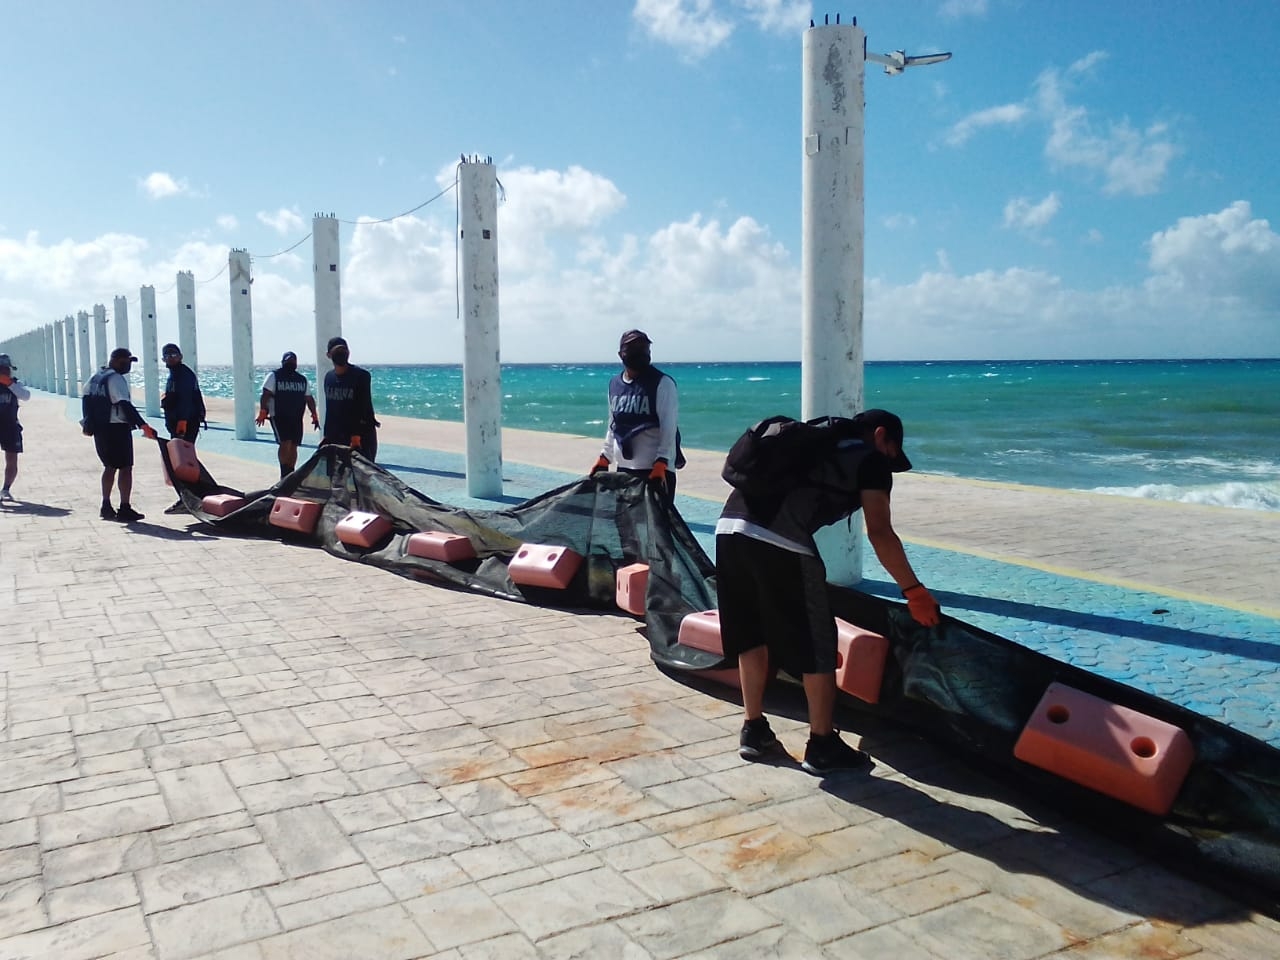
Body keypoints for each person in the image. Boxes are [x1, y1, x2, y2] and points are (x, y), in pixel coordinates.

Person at [716, 408, 942, 775]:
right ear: (881, 435)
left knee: (752, 633)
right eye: (891, 451)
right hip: (782, 541)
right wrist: (914, 591)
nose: (889, 461)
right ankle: (822, 744)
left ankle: (754, 730)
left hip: (728, 530)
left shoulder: (812, 440)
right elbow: (881, 533)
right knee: (819, 640)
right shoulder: (869, 460)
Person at [589, 329, 682, 502]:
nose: (640, 351)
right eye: (633, 348)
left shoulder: (663, 383)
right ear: (621, 354)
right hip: (624, 470)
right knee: (625, 525)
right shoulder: (614, 385)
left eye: (644, 347)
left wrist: (661, 462)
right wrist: (605, 457)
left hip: (655, 471)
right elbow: (613, 424)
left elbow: (668, 427)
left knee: (657, 526)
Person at [82, 348, 157, 522]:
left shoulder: (96, 377)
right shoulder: (116, 379)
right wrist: (143, 425)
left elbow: (86, 399)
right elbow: (124, 404)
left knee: (109, 466)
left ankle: (106, 506)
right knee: (125, 468)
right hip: (116, 428)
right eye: (127, 362)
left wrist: (87, 422)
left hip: (100, 429)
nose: (129, 365)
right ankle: (124, 508)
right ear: (116, 361)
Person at [257, 351, 320, 478]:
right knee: (285, 442)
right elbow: (266, 394)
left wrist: (314, 415)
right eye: (288, 361)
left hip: (296, 417)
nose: (290, 363)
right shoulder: (274, 376)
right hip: (279, 415)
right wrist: (263, 411)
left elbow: (309, 398)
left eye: (293, 361)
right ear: (283, 362)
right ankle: (284, 472)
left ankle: (290, 472)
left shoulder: (301, 379)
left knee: (294, 445)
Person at [160, 343, 204, 513]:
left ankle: (187, 498)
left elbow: (185, 399)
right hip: (177, 422)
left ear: (180, 356)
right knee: (179, 461)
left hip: (185, 423)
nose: (171, 358)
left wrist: (183, 421)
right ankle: (186, 497)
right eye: (167, 355)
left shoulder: (183, 374)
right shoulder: (175, 374)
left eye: (174, 354)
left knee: (183, 462)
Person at [321, 336, 378, 462]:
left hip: (360, 436)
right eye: (337, 352)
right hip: (337, 434)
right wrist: (326, 435)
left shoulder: (361, 376)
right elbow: (330, 409)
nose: (341, 354)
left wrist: (356, 436)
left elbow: (363, 406)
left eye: (343, 351)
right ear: (329, 355)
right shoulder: (329, 378)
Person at [0, 354, 30, 501]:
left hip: (10, 425)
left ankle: (5, 489)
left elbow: (26, 396)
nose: (6, 372)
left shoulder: (14, 384)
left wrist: (9, 384)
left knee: (12, 459)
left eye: (7, 370)